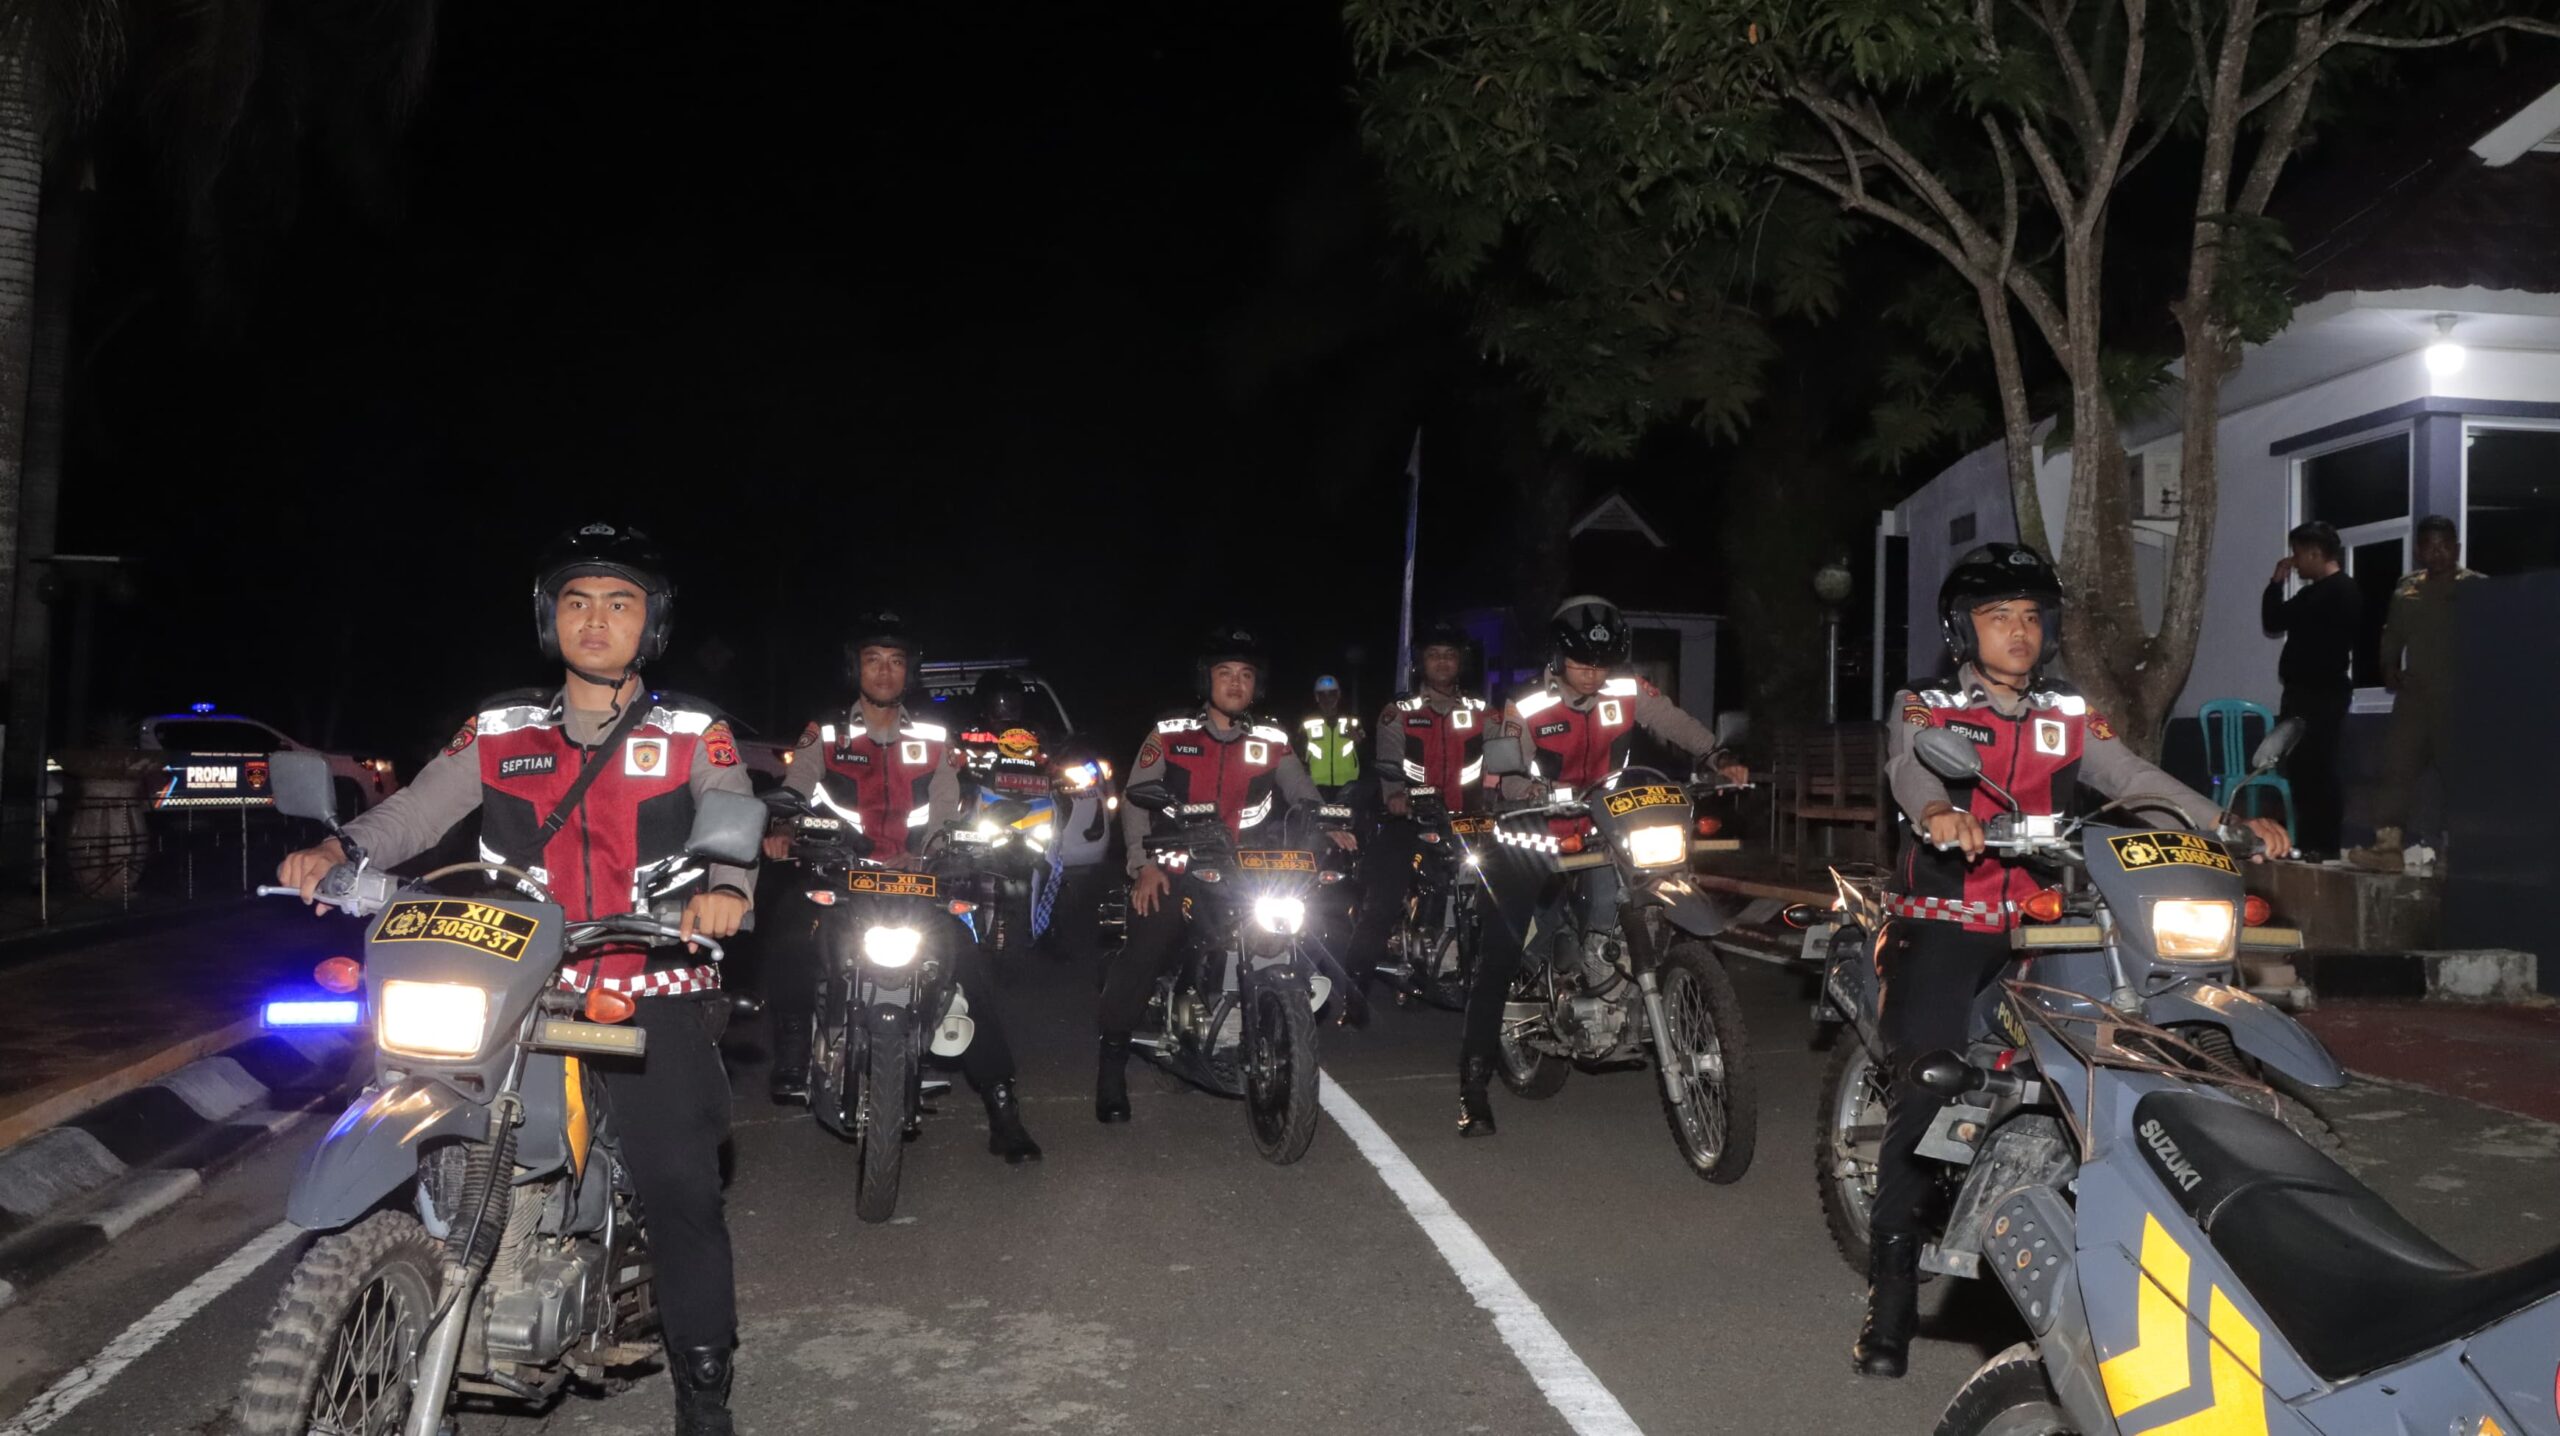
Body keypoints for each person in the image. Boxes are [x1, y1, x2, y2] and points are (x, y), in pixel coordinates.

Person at [277, 522, 753, 1435]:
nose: (595, 620)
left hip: (644, 982)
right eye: (576, 602)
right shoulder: (500, 728)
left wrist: (727, 890)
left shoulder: (693, 731)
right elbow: (419, 810)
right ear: (548, 618)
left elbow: (729, 813)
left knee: (679, 1183)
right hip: (508, 973)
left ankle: (704, 1390)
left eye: (619, 603)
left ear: (650, 624)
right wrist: (343, 850)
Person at [1858, 542, 2292, 1380]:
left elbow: (2131, 778)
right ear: (1964, 629)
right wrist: (1941, 813)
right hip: (1946, 920)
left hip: (2048, 922)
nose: (2018, 632)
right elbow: (1910, 767)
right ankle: (1891, 1293)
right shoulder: (1928, 704)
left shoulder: (2065, 711)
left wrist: (2223, 824)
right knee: (1926, 1083)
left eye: (2031, 616)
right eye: (1998, 617)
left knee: (2127, 1035)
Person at [1458, 595, 1748, 1140]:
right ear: (1557, 656)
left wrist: (1716, 756)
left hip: (1603, 824)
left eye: (1603, 663)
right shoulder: (1525, 705)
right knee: (1500, 952)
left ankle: (1622, 981)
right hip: (1531, 830)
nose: (1593, 674)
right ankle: (1473, 1086)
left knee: (1637, 896)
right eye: (1582, 663)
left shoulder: (1626, 689)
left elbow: (1674, 722)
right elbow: (1503, 775)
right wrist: (1531, 790)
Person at [766, 611, 1043, 1164]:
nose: (884, 671)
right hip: (842, 873)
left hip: (918, 880)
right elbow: (795, 788)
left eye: (895, 661)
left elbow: (945, 808)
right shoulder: (827, 732)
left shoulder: (934, 736)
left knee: (968, 963)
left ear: (909, 671)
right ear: (856, 668)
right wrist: (783, 828)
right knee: (792, 928)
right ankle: (794, 1046)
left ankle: (1002, 1103)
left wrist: (943, 850)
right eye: (873, 659)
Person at [1097, 625, 1353, 1122]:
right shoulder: (1171, 733)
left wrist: (1327, 823)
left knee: (1303, 923)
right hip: (1176, 864)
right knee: (1146, 947)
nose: (1236, 683)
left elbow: (1302, 792)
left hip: (1248, 869)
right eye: (1225, 673)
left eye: (1246, 674)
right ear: (1206, 680)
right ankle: (1111, 1067)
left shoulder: (1272, 740)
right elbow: (1135, 799)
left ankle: (1276, 1015)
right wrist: (1143, 865)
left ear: (1257, 684)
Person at [1339, 620, 1489, 1022]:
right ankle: (1355, 993)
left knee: (1511, 884)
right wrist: (1396, 795)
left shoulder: (1481, 711)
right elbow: (1389, 761)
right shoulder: (1399, 712)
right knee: (1383, 900)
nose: (1442, 662)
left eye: (1450, 655)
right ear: (1421, 662)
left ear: (1461, 662)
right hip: (1409, 820)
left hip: (1468, 822)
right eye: (1434, 655)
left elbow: (1501, 756)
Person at [2348, 516, 2480, 873]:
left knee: (2460, 774)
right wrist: (2388, 666)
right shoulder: (2406, 588)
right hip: (2414, 696)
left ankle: (2465, 850)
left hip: (2459, 698)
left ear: (2457, 548)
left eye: (2445, 546)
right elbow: (2392, 634)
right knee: (2396, 768)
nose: (2438, 553)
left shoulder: (2476, 588)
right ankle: (2387, 847)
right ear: (2419, 551)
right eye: (2430, 546)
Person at [2262, 521, 2359, 857]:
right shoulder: (2312, 593)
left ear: (2316, 553)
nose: (2295, 561)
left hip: (2323, 695)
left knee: (2318, 768)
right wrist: (2276, 583)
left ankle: (2324, 846)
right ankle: (2308, 843)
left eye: (2299, 554)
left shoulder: (2340, 591)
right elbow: (2273, 621)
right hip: (2301, 694)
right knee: (2301, 769)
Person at [1299, 675, 1362, 800]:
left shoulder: (1352, 722)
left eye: (1331, 694)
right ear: (1317, 697)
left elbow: (1368, 752)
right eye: (1322, 695)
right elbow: (1297, 753)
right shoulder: (1307, 724)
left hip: (1348, 787)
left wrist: (1359, 741)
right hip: (1315, 787)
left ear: (1338, 695)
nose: (1327, 699)